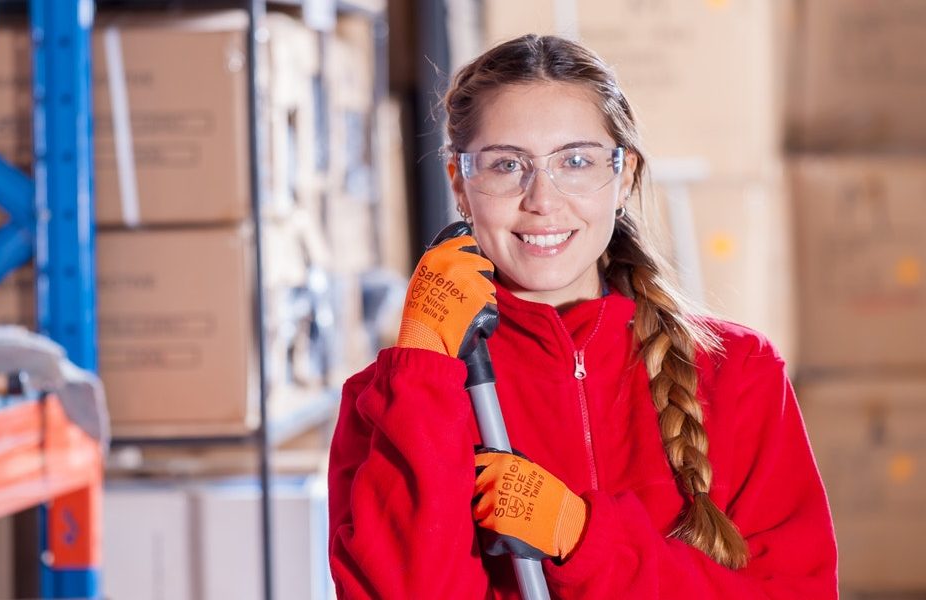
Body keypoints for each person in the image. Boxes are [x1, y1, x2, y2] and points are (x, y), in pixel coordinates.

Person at [328, 34, 838, 599]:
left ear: (624, 177)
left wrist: (584, 538)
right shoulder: (393, 397)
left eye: (576, 161)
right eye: (505, 165)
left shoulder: (739, 370)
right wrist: (423, 366)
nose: (542, 199)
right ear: (461, 187)